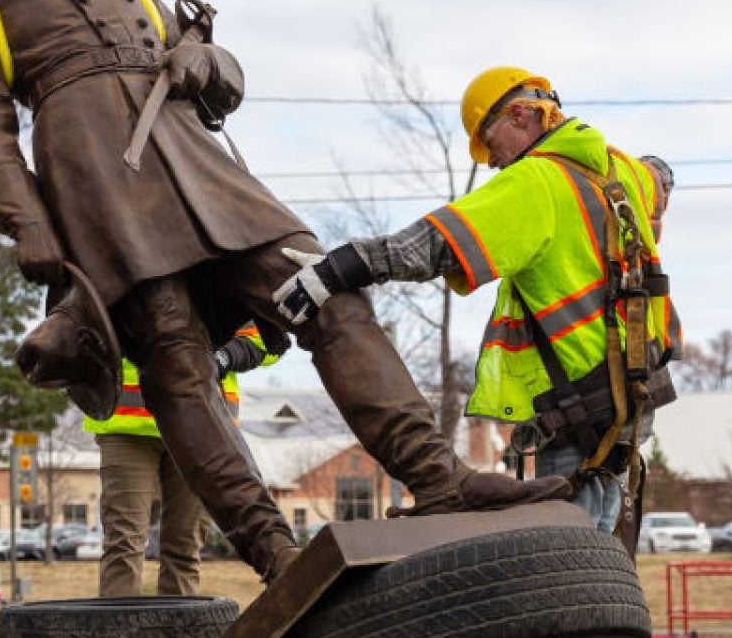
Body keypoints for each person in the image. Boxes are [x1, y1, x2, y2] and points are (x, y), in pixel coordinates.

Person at [0, 0, 571, 584]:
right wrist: (27, 221)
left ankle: (436, 477)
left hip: (202, 168)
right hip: (99, 178)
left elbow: (222, 83)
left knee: (327, 291)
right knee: (173, 354)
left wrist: (206, 58)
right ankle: (272, 549)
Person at [275, 68, 679, 540]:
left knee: (572, 564)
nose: (491, 162)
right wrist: (652, 193)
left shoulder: (536, 181)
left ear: (522, 115)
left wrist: (340, 268)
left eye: (490, 143)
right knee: (605, 557)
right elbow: (662, 174)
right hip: (633, 398)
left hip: (579, 411)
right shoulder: (623, 170)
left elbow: (435, 243)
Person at [88, 326, 274, 596]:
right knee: (123, 544)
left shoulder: (223, 283)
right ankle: (118, 636)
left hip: (201, 427)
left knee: (184, 547)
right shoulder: (123, 281)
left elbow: (265, 336)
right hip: (128, 426)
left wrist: (223, 357)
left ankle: (178, 635)